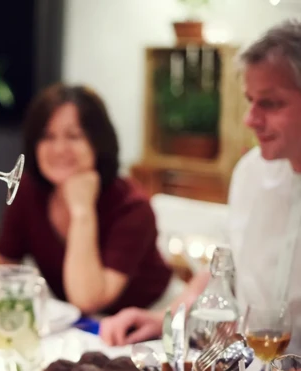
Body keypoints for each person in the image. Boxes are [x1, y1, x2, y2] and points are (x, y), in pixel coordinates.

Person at [100, 19, 301, 354]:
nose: (250, 119)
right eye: (250, 100)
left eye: (270, 103)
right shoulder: (251, 174)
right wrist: (169, 317)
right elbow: (224, 265)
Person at [0, 83, 175, 315]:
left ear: (98, 142)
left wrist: (82, 210)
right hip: (80, 324)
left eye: (74, 136)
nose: (59, 148)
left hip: (153, 319)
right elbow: (2, 260)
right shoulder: (30, 190)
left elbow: (87, 299)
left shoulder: (133, 207)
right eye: (47, 136)